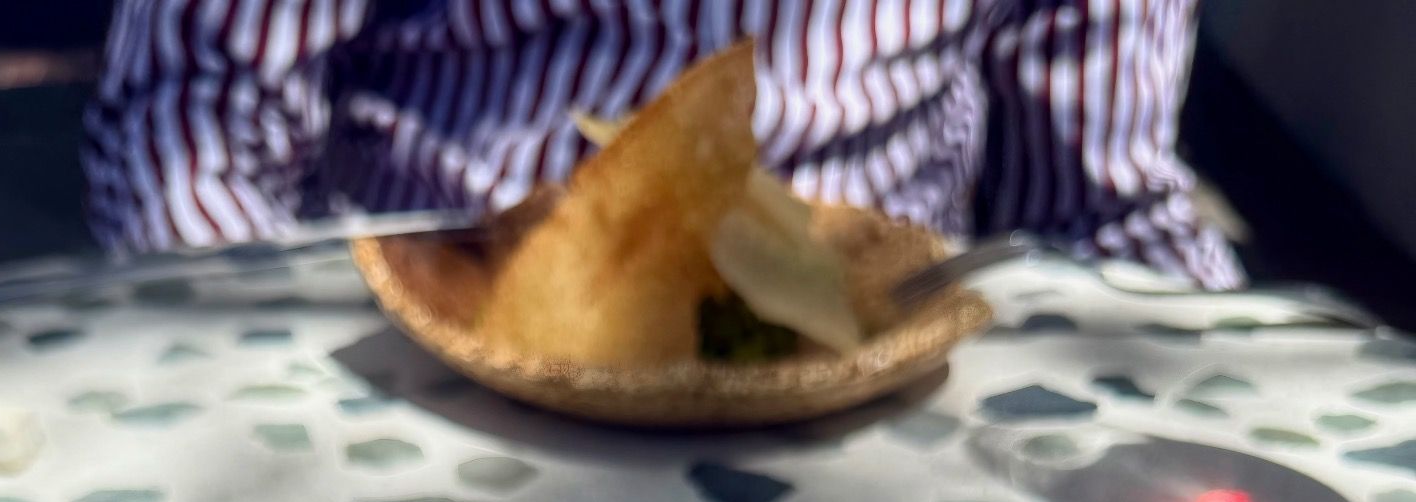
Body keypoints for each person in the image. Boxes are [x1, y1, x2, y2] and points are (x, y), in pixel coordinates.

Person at [85, 0, 1240, 288]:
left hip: (870, 394)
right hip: (449, 360)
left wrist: (1224, 415)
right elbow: (195, 119)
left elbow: (1098, 209)